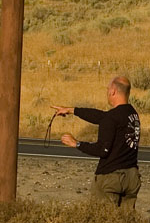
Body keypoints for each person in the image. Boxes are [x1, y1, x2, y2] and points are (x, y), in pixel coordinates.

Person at [52, 75, 141, 211]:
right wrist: (71, 110)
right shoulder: (131, 114)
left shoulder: (112, 118)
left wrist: (76, 144)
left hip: (111, 178)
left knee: (103, 219)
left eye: (107, 89)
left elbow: (102, 150)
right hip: (131, 177)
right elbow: (103, 117)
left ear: (113, 91)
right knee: (126, 222)